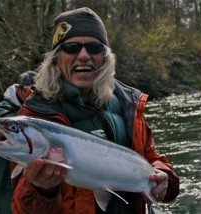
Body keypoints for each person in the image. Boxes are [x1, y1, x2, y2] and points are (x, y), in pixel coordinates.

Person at [11, 7, 179, 214]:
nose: (83, 55)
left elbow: (152, 158)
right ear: (56, 58)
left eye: (94, 47)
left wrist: (164, 179)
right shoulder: (32, 118)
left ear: (105, 58)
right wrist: (41, 189)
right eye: (71, 47)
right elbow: (20, 209)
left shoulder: (129, 104)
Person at [0, 70, 36, 214]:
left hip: (29, 169)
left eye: (35, 90)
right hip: (6, 176)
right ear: (18, 89)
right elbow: (7, 122)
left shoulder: (38, 107)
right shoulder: (2, 109)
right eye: (28, 89)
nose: (32, 94)